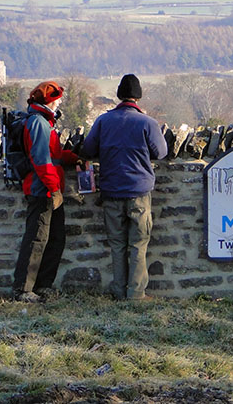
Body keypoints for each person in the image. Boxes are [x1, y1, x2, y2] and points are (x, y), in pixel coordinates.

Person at [81, 74, 167, 300]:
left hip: (111, 190)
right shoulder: (147, 123)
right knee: (138, 244)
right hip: (138, 191)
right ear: (138, 97)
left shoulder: (103, 121)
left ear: (119, 95)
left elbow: (88, 149)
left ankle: (118, 290)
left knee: (117, 244)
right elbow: (161, 153)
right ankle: (136, 293)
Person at [13, 81, 79, 303]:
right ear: (49, 101)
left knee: (54, 238)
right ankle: (23, 289)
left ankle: (42, 285)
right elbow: (42, 161)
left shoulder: (44, 122)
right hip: (42, 190)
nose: (59, 102)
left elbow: (54, 156)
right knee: (37, 239)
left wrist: (74, 158)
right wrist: (54, 189)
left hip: (49, 189)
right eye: (56, 98)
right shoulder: (40, 124)